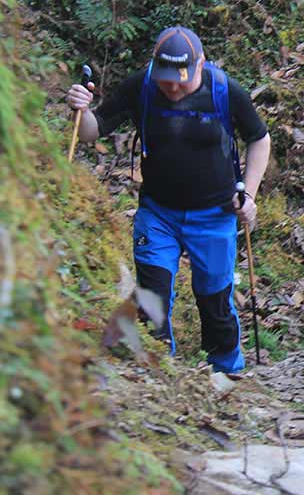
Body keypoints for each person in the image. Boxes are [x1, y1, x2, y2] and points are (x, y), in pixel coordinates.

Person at [66, 26, 271, 373]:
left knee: (215, 301)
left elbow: (259, 138)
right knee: (152, 295)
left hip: (216, 214)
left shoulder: (224, 90)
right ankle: (159, 371)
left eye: (181, 80)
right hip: (159, 213)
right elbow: (93, 131)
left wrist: (248, 194)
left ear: (200, 64)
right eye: (166, 80)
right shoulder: (141, 86)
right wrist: (81, 110)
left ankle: (227, 374)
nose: (173, 88)